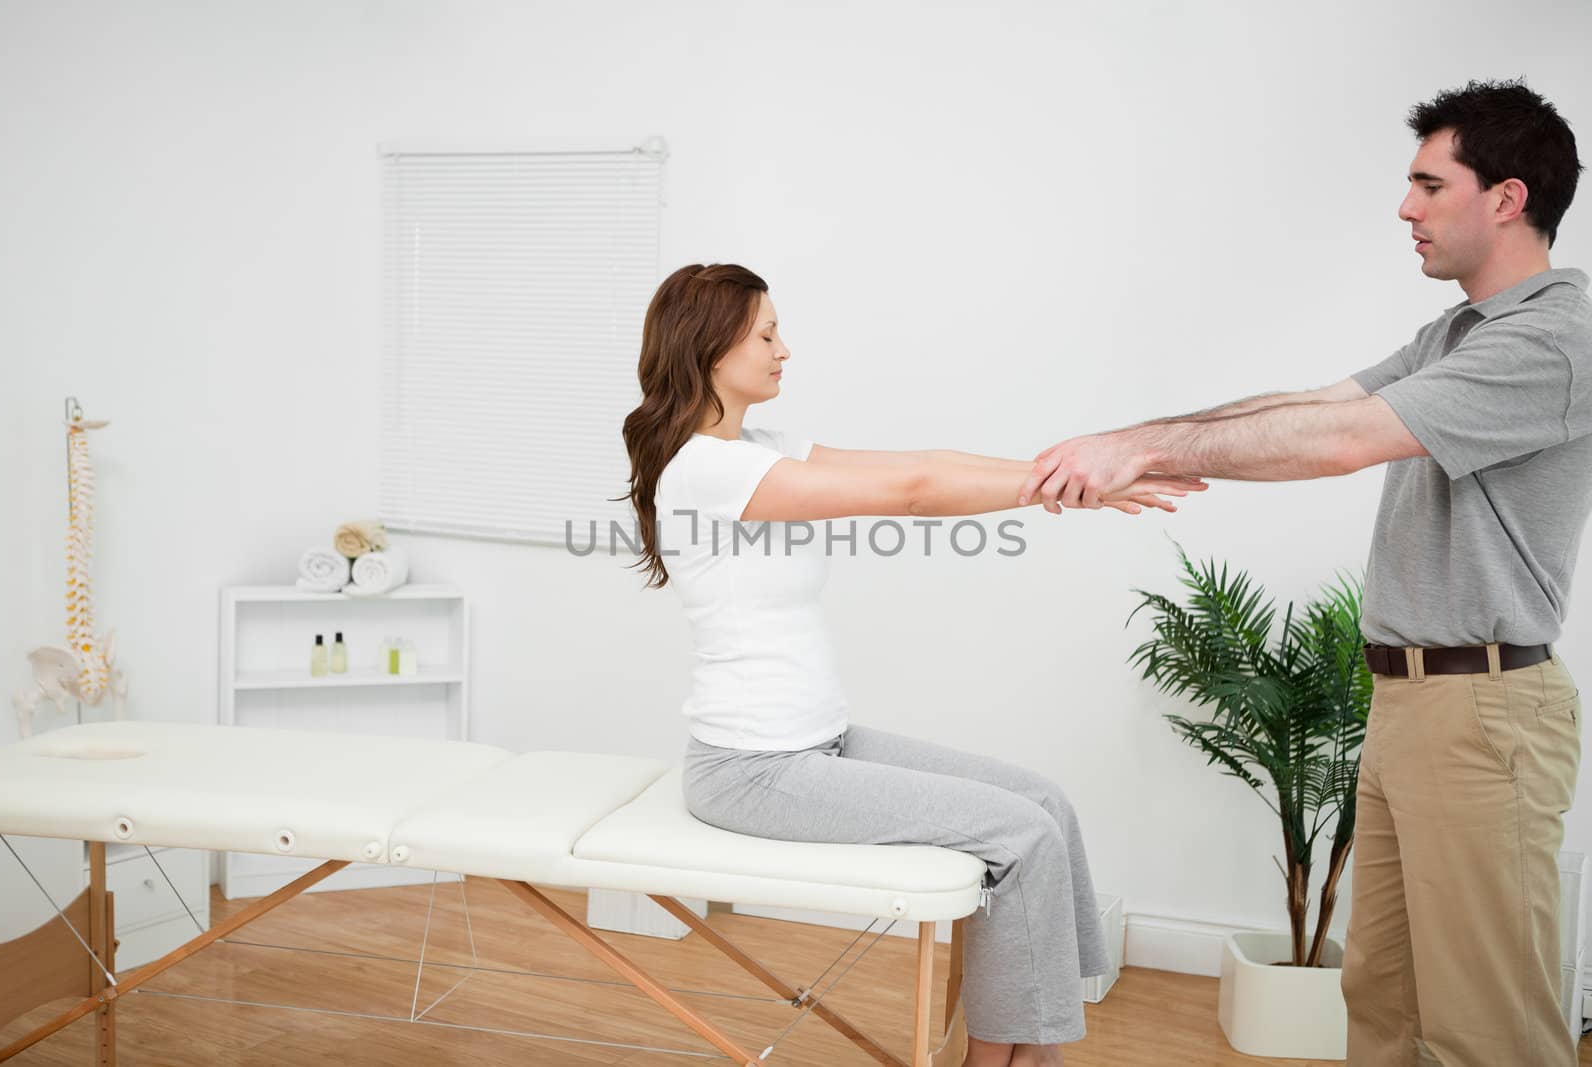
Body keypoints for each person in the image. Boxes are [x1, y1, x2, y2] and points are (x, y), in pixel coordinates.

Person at [1018, 79, 1586, 1066]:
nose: (1404, 207)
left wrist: (1140, 447)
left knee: (1484, 1027)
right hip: (1412, 703)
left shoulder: (1555, 334)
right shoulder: (1456, 332)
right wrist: (1138, 441)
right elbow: (1312, 400)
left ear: (1505, 196)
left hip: (1484, 710)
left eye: (1426, 182)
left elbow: (1340, 439)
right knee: (1383, 999)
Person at [620, 263, 1205, 1066]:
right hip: (753, 770)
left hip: (815, 743)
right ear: (710, 346)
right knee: (1018, 835)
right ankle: (1007, 1060)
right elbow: (914, 492)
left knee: (1042, 801)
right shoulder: (708, 469)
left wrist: (1073, 483)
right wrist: (1069, 490)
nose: (785, 350)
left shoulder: (759, 447)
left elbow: (921, 460)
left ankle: (1033, 1039)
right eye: (766, 333)